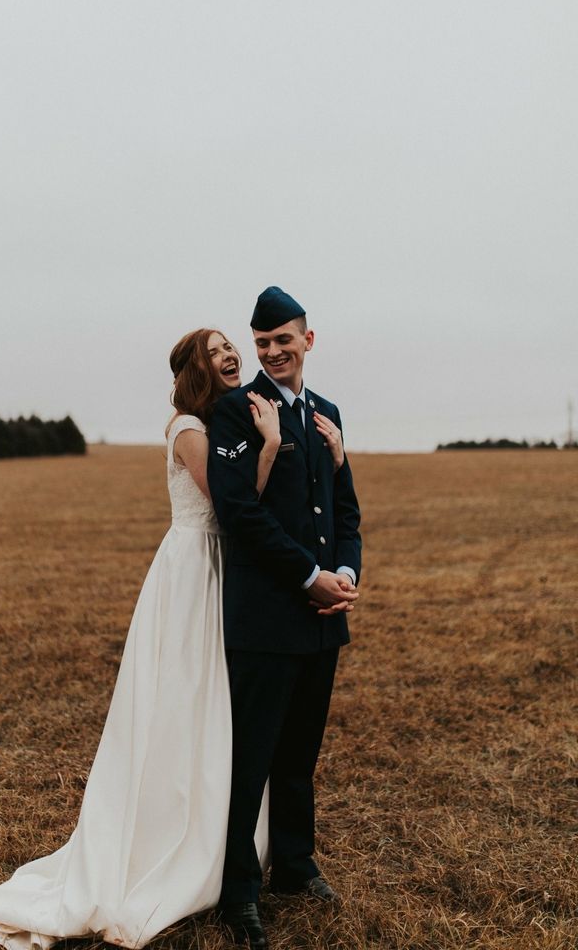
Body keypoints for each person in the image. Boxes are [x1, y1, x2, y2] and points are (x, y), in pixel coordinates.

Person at [0, 328, 345, 950]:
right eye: (217, 351)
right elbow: (233, 508)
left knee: (222, 712)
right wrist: (272, 446)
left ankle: (238, 843)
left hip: (229, 574)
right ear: (196, 369)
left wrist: (327, 459)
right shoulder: (191, 429)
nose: (231, 356)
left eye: (233, 346)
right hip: (195, 571)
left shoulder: (231, 419)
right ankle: (175, 839)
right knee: (183, 702)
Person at [207, 286, 362, 950]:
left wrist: (347, 574)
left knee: (299, 756)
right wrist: (310, 577)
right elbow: (240, 515)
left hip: (324, 621)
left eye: (283, 339)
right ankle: (238, 890)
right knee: (253, 758)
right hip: (267, 620)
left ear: (308, 339)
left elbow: (346, 510)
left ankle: (294, 868)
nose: (272, 352)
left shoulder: (326, 412)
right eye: (261, 342)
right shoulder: (234, 412)